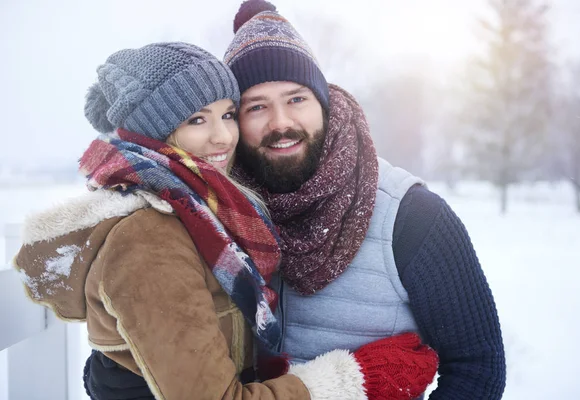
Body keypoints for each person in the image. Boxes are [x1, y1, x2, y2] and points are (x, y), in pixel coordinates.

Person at [84, 0, 507, 398]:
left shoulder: (411, 216)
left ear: (325, 103)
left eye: (297, 99)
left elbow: (477, 365)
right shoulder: (212, 215)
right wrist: (118, 376)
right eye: (255, 107)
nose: (281, 122)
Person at [14, 42, 439, 400]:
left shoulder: (203, 208)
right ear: (153, 131)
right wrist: (353, 378)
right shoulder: (149, 236)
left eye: (228, 113)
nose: (223, 136)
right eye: (197, 119)